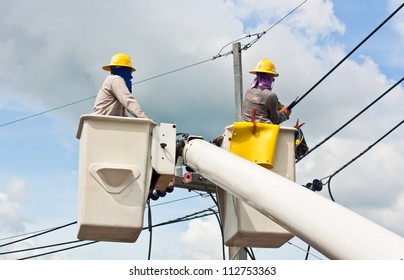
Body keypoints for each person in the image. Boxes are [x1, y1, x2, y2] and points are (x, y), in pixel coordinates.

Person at [93, 53, 148, 118]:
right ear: (121, 68)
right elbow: (128, 101)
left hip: (106, 122)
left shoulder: (111, 80)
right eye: (129, 71)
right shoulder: (115, 79)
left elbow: (123, 111)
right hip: (101, 121)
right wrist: (144, 118)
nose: (130, 76)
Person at [241, 58, 290, 124]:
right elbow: (275, 120)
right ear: (270, 77)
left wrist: (279, 105)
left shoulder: (249, 89)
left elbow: (262, 99)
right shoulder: (271, 95)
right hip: (263, 131)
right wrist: (284, 114)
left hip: (245, 128)